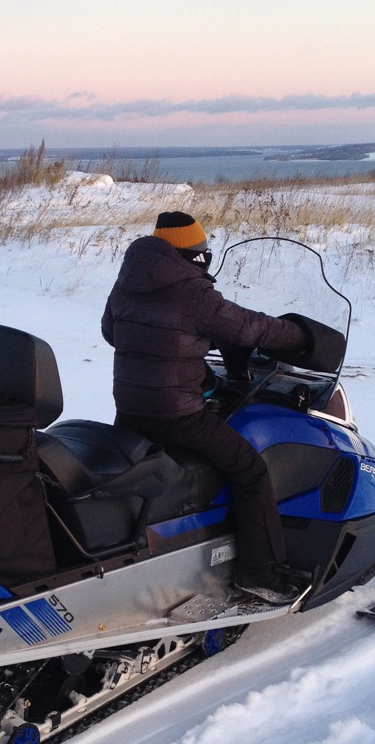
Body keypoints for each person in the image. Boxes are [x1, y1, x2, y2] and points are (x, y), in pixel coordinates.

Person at [101, 210, 309, 604]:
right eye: (203, 250)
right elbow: (250, 328)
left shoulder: (128, 282)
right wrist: (302, 334)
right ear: (195, 254)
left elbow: (112, 333)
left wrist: (181, 340)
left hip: (130, 408)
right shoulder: (192, 292)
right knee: (249, 471)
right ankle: (260, 574)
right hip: (177, 415)